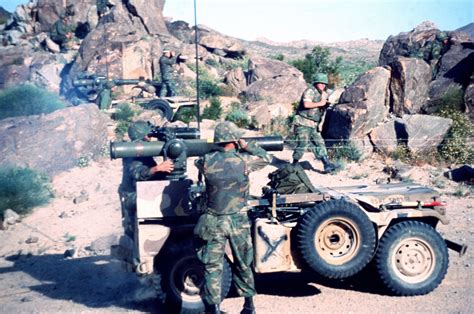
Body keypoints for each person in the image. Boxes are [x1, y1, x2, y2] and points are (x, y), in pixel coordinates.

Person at [194, 121, 272, 314]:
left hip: (213, 220)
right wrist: (248, 145)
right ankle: (248, 306)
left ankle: (215, 308)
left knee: (213, 266)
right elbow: (266, 157)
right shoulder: (244, 161)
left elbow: (198, 162)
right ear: (234, 140)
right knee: (243, 263)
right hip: (238, 220)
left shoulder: (206, 160)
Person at [118, 121, 174, 239]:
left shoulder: (140, 150)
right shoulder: (134, 152)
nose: (150, 136)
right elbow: (138, 174)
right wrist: (158, 168)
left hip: (139, 190)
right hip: (133, 195)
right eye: (148, 134)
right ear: (142, 135)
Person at [292, 73, 338, 173]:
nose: (323, 85)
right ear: (316, 83)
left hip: (313, 124)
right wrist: (320, 103)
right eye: (320, 83)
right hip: (303, 123)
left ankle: (326, 165)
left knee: (320, 143)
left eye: (324, 83)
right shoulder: (310, 91)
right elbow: (306, 104)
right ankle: (294, 164)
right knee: (302, 144)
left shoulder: (323, 94)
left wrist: (325, 105)